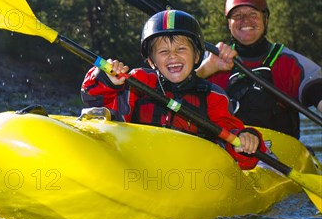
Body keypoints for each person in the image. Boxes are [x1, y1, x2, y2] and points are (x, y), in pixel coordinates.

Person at [81, 10, 265, 170]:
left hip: (187, 174)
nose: (173, 56)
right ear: (151, 61)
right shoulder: (138, 82)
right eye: (163, 52)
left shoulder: (212, 96)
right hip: (137, 165)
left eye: (181, 48)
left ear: (197, 56)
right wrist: (107, 79)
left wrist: (244, 140)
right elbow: (93, 98)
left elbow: (234, 145)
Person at [196, 0, 322, 139]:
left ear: (265, 19)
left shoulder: (288, 62)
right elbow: (176, 91)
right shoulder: (213, 62)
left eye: (253, 14)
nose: (245, 20)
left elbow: (317, 92)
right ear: (229, 24)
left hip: (279, 154)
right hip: (227, 152)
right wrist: (206, 69)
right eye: (238, 16)